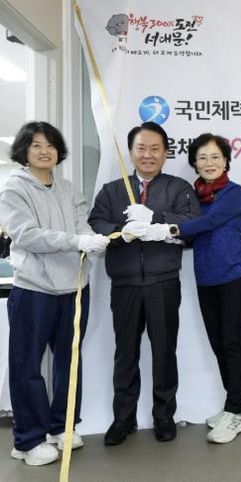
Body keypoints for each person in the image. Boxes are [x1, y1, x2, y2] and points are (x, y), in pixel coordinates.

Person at [0, 122, 109, 465]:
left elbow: (82, 226)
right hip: (34, 289)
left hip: (74, 287)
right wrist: (78, 241)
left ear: (58, 151)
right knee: (27, 365)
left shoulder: (68, 188)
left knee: (69, 361)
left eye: (50, 145)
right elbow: (27, 235)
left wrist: (92, 241)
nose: (44, 151)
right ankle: (27, 440)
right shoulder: (14, 189)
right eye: (36, 145)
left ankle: (62, 426)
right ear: (24, 151)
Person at [88, 121, 201, 445]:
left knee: (164, 351)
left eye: (155, 149)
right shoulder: (112, 190)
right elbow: (96, 221)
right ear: (131, 152)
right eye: (141, 148)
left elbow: (194, 223)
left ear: (165, 153)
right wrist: (121, 232)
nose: (148, 155)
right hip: (124, 284)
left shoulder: (179, 188)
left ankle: (164, 416)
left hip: (163, 283)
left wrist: (157, 219)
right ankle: (123, 419)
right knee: (125, 353)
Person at [169, 133, 241, 444]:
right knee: (218, 344)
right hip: (205, 278)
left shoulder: (234, 193)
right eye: (202, 158)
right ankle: (238, 404)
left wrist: (171, 228)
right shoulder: (193, 197)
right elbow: (191, 236)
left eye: (215, 156)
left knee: (232, 343)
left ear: (226, 160)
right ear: (194, 163)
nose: (209, 163)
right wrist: (167, 235)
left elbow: (209, 222)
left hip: (234, 276)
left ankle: (234, 410)